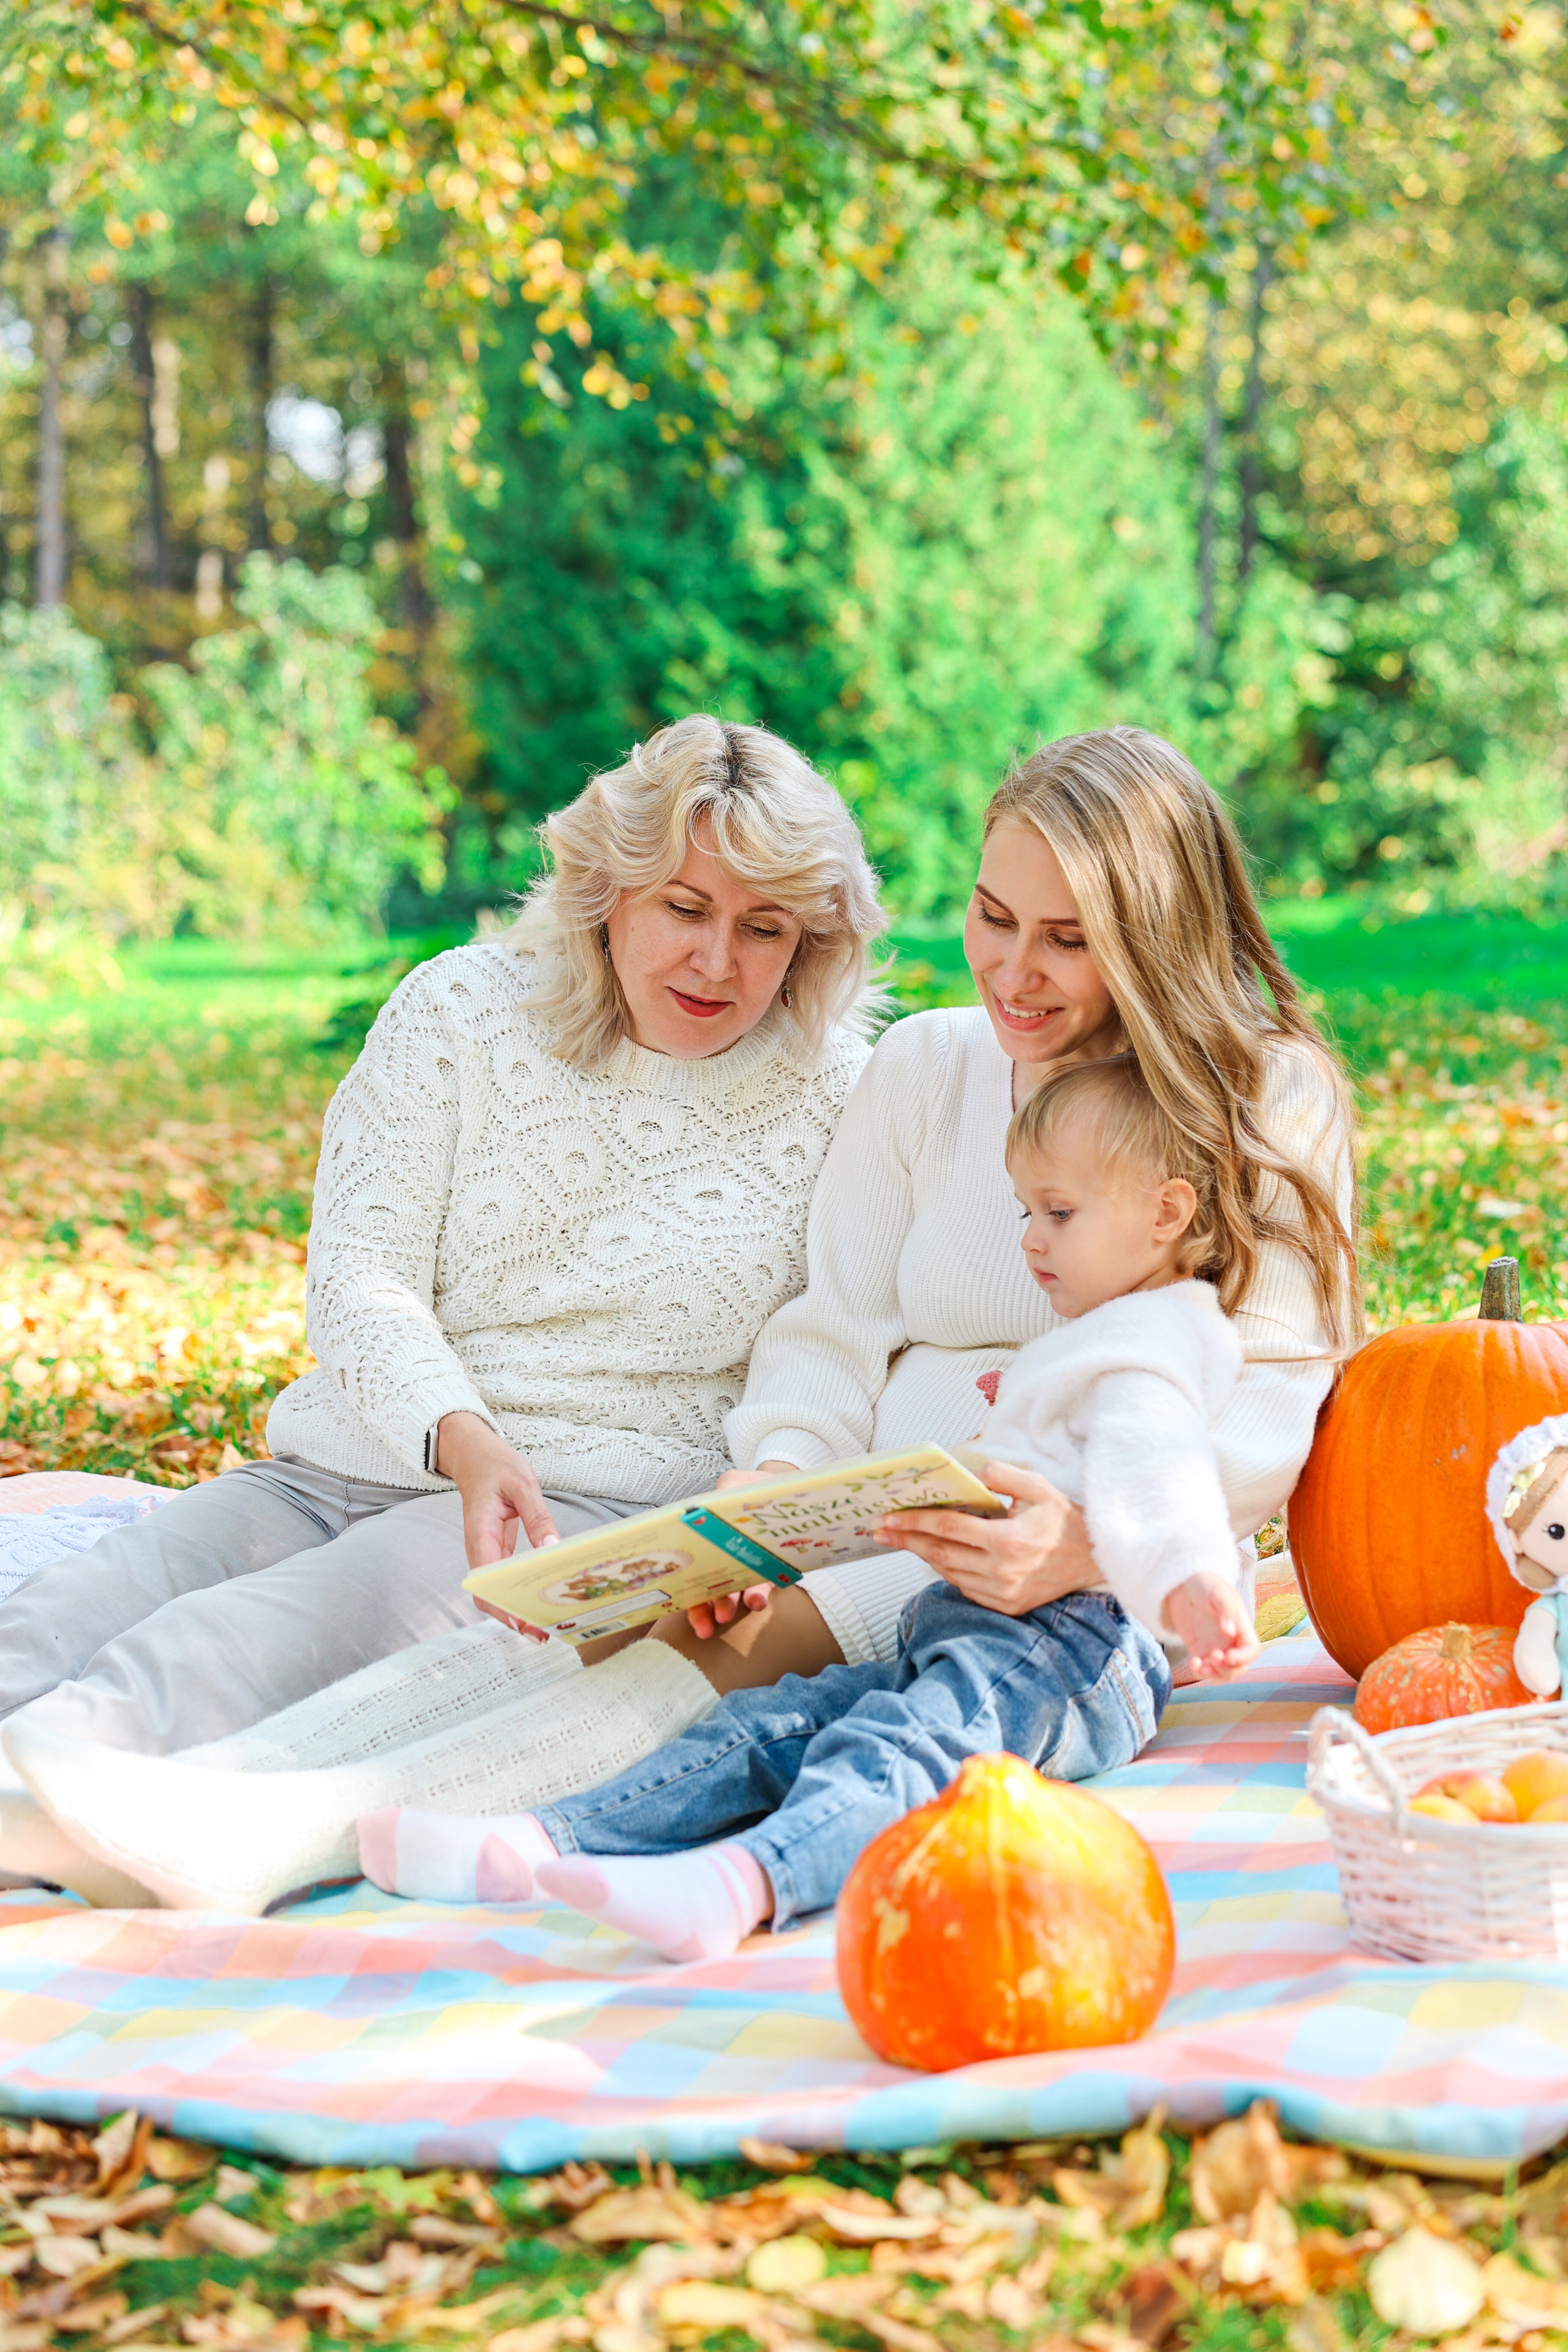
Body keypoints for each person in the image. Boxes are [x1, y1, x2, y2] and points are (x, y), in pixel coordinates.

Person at [7, 725, 1357, 1916]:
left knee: (646, 1666)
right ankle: (217, 1803)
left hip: (1075, 1551)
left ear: (1157, 933)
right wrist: (766, 1510)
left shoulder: (1262, 1098)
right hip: (864, 1511)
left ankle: (269, 1829)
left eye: (1069, 939)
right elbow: (830, 1336)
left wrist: (1080, 1545)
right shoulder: (929, 1066)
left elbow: (1278, 1397)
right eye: (993, 916)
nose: (1013, 971)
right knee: (645, 1624)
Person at [0, 715, 883, 1902]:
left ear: (809, 945)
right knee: (71, 1611)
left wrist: (748, 1498)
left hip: (563, 1510)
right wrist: (458, 1438)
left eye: (762, 929)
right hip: (345, 1461)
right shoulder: (460, 1009)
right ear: (605, 893)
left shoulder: (838, 1099)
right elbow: (358, 1270)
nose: (717, 963)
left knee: (204, 1660)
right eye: (684, 908)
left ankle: (37, 1829)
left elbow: (820, 1349)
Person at [352, 1050, 1264, 1958]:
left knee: (898, 1752)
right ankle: (545, 1841)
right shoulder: (1102, 1334)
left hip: (1070, 1652)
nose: (1029, 1237)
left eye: (1058, 1213)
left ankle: (744, 1882)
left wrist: (1190, 1580)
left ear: (1166, 1214)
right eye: (1027, 1210)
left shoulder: (1153, 1344)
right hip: (967, 1623)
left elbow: (1160, 1472)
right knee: (775, 1723)